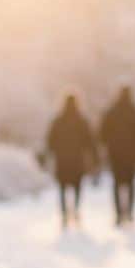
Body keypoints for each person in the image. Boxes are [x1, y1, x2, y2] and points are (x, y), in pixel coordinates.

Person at [99, 86, 135, 226]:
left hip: (115, 154)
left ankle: (118, 214)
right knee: (130, 183)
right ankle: (129, 212)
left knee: (117, 183)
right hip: (132, 155)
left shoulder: (111, 113)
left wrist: (108, 147)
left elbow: (102, 133)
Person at [45, 93, 99, 227]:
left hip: (62, 159)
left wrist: (52, 152)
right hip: (77, 159)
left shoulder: (58, 121)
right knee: (77, 186)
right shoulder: (82, 121)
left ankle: (64, 213)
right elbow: (90, 141)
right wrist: (94, 156)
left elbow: (50, 141)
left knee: (62, 187)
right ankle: (75, 210)